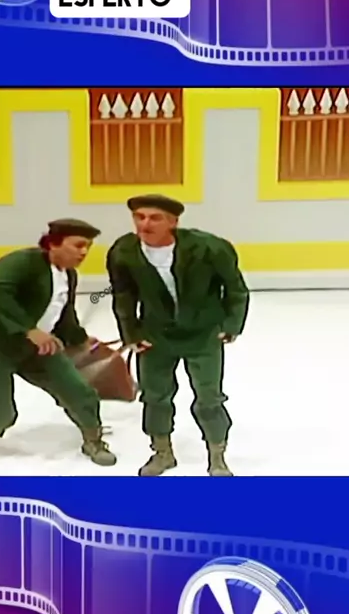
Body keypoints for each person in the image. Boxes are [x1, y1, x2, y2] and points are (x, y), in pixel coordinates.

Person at [0, 218, 116, 467]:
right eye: (78, 245)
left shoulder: (69, 275)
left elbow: (64, 314)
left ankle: (93, 438)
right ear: (53, 243)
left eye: (88, 247)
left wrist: (81, 339)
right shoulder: (21, 262)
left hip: (39, 346)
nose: (84, 252)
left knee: (77, 389)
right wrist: (28, 329)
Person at [106, 195, 249, 477]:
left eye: (155, 217)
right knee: (154, 396)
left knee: (209, 397)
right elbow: (123, 295)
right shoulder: (124, 252)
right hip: (156, 335)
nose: (145, 224)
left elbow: (235, 288)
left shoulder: (209, 248)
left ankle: (217, 455)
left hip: (203, 333)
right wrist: (131, 332)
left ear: (173, 222)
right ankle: (162, 452)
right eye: (139, 217)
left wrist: (231, 324)